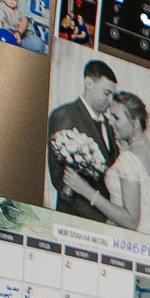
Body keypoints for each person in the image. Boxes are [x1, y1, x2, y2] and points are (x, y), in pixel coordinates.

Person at [59, 91, 150, 230]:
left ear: (135, 123)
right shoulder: (143, 150)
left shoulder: (128, 159)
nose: (110, 122)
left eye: (116, 118)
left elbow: (131, 221)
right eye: (110, 117)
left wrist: (86, 190)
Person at [46, 59, 121, 207]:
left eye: (113, 95)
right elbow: (60, 179)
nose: (110, 100)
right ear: (88, 84)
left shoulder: (109, 124)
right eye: (107, 93)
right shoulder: (65, 115)